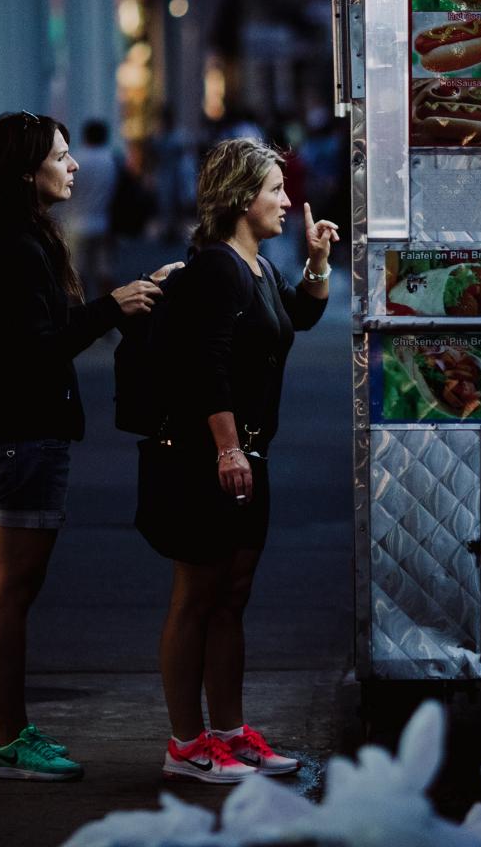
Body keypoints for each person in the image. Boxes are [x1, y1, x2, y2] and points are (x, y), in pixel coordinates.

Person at [0, 110, 171, 782]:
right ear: (29, 171)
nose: (75, 165)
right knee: (14, 589)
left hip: (16, 429)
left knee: (1, 583)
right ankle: (11, 738)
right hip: (25, 431)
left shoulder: (13, 235)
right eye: (61, 156)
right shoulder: (16, 244)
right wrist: (113, 307)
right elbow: (34, 348)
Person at [136, 137, 338, 783]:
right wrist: (226, 446)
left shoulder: (257, 266)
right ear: (241, 197)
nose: (288, 200)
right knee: (196, 595)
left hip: (251, 452)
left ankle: (228, 731)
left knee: (233, 596)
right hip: (209, 458)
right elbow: (207, 366)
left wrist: (317, 263)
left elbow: (296, 321)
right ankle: (187, 743)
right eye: (276, 189)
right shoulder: (218, 268)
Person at [65, 117, 121, 296]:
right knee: (104, 271)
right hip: (102, 222)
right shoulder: (110, 160)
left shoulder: (76, 159)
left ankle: (79, 314)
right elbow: (116, 194)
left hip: (77, 223)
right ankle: (109, 313)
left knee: (76, 274)